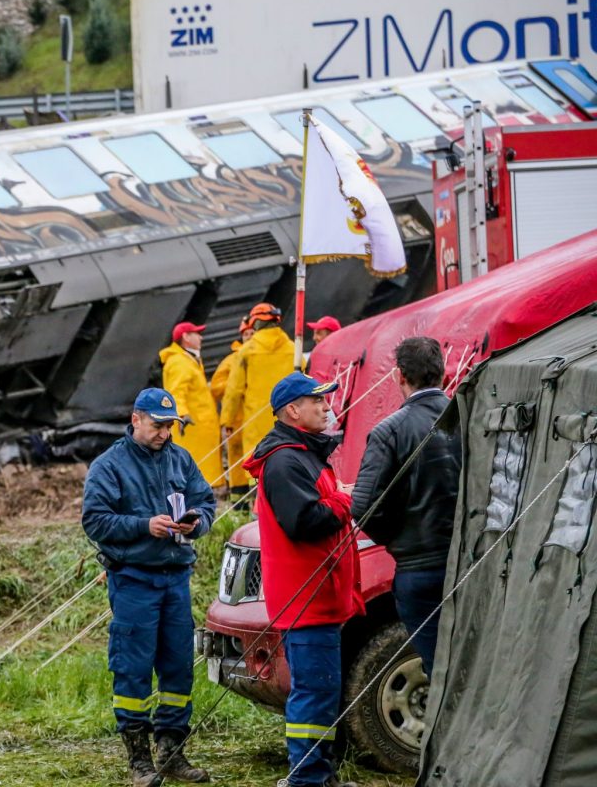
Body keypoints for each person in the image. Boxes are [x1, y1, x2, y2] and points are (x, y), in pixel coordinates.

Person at [82, 388, 217, 787]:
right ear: (136, 419)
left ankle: (172, 753)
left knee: (178, 669)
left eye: (170, 425)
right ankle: (139, 761)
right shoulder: (109, 466)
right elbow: (95, 521)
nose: (164, 433)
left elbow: (206, 502)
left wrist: (198, 523)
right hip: (133, 580)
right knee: (133, 670)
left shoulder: (181, 458)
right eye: (157, 425)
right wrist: (145, 525)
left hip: (176, 579)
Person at [244, 374, 363, 787]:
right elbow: (306, 521)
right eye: (318, 400)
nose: (328, 406)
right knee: (313, 693)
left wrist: (336, 495)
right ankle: (307, 780)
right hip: (306, 600)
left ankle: (317, 776)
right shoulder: (285, 461)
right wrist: (347, 499)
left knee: (321, 691)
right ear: (293, 410)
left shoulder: (302, 455)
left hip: (316, 598)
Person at [349, 337, 460, 677]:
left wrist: (397, 539)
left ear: (399, 376)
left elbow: (364, 506)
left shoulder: (389, 431)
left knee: (439, 669)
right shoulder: (471, 418)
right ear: (442, 372)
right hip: (470, 560)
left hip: (419, 567)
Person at [220, 303, 296, 463]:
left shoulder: (247, 351)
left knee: (258, 467)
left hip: (256, 425)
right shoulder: (293, 349)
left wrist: (227, 421)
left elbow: (234, 390)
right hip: (290, 421)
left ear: (255, 323)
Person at [159, 321, 222, 487]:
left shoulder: (189, 360)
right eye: (196, 333)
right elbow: (176, 392)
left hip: (198, 427)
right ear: (186, 337)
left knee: (199, 473)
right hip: (192, 428)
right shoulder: (180, 362)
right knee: (194, 474)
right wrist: (181, 414)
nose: (200, 337)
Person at [210, 317, 254, 500]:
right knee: (237, 461)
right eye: (246, 334)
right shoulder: (232, 360)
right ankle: (239, 504)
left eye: (252, 333)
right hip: (237, 421)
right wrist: (237, 382)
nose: (249, 337)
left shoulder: (263, 357)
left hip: (255, 418)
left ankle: (253, 500)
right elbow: (216, 387)